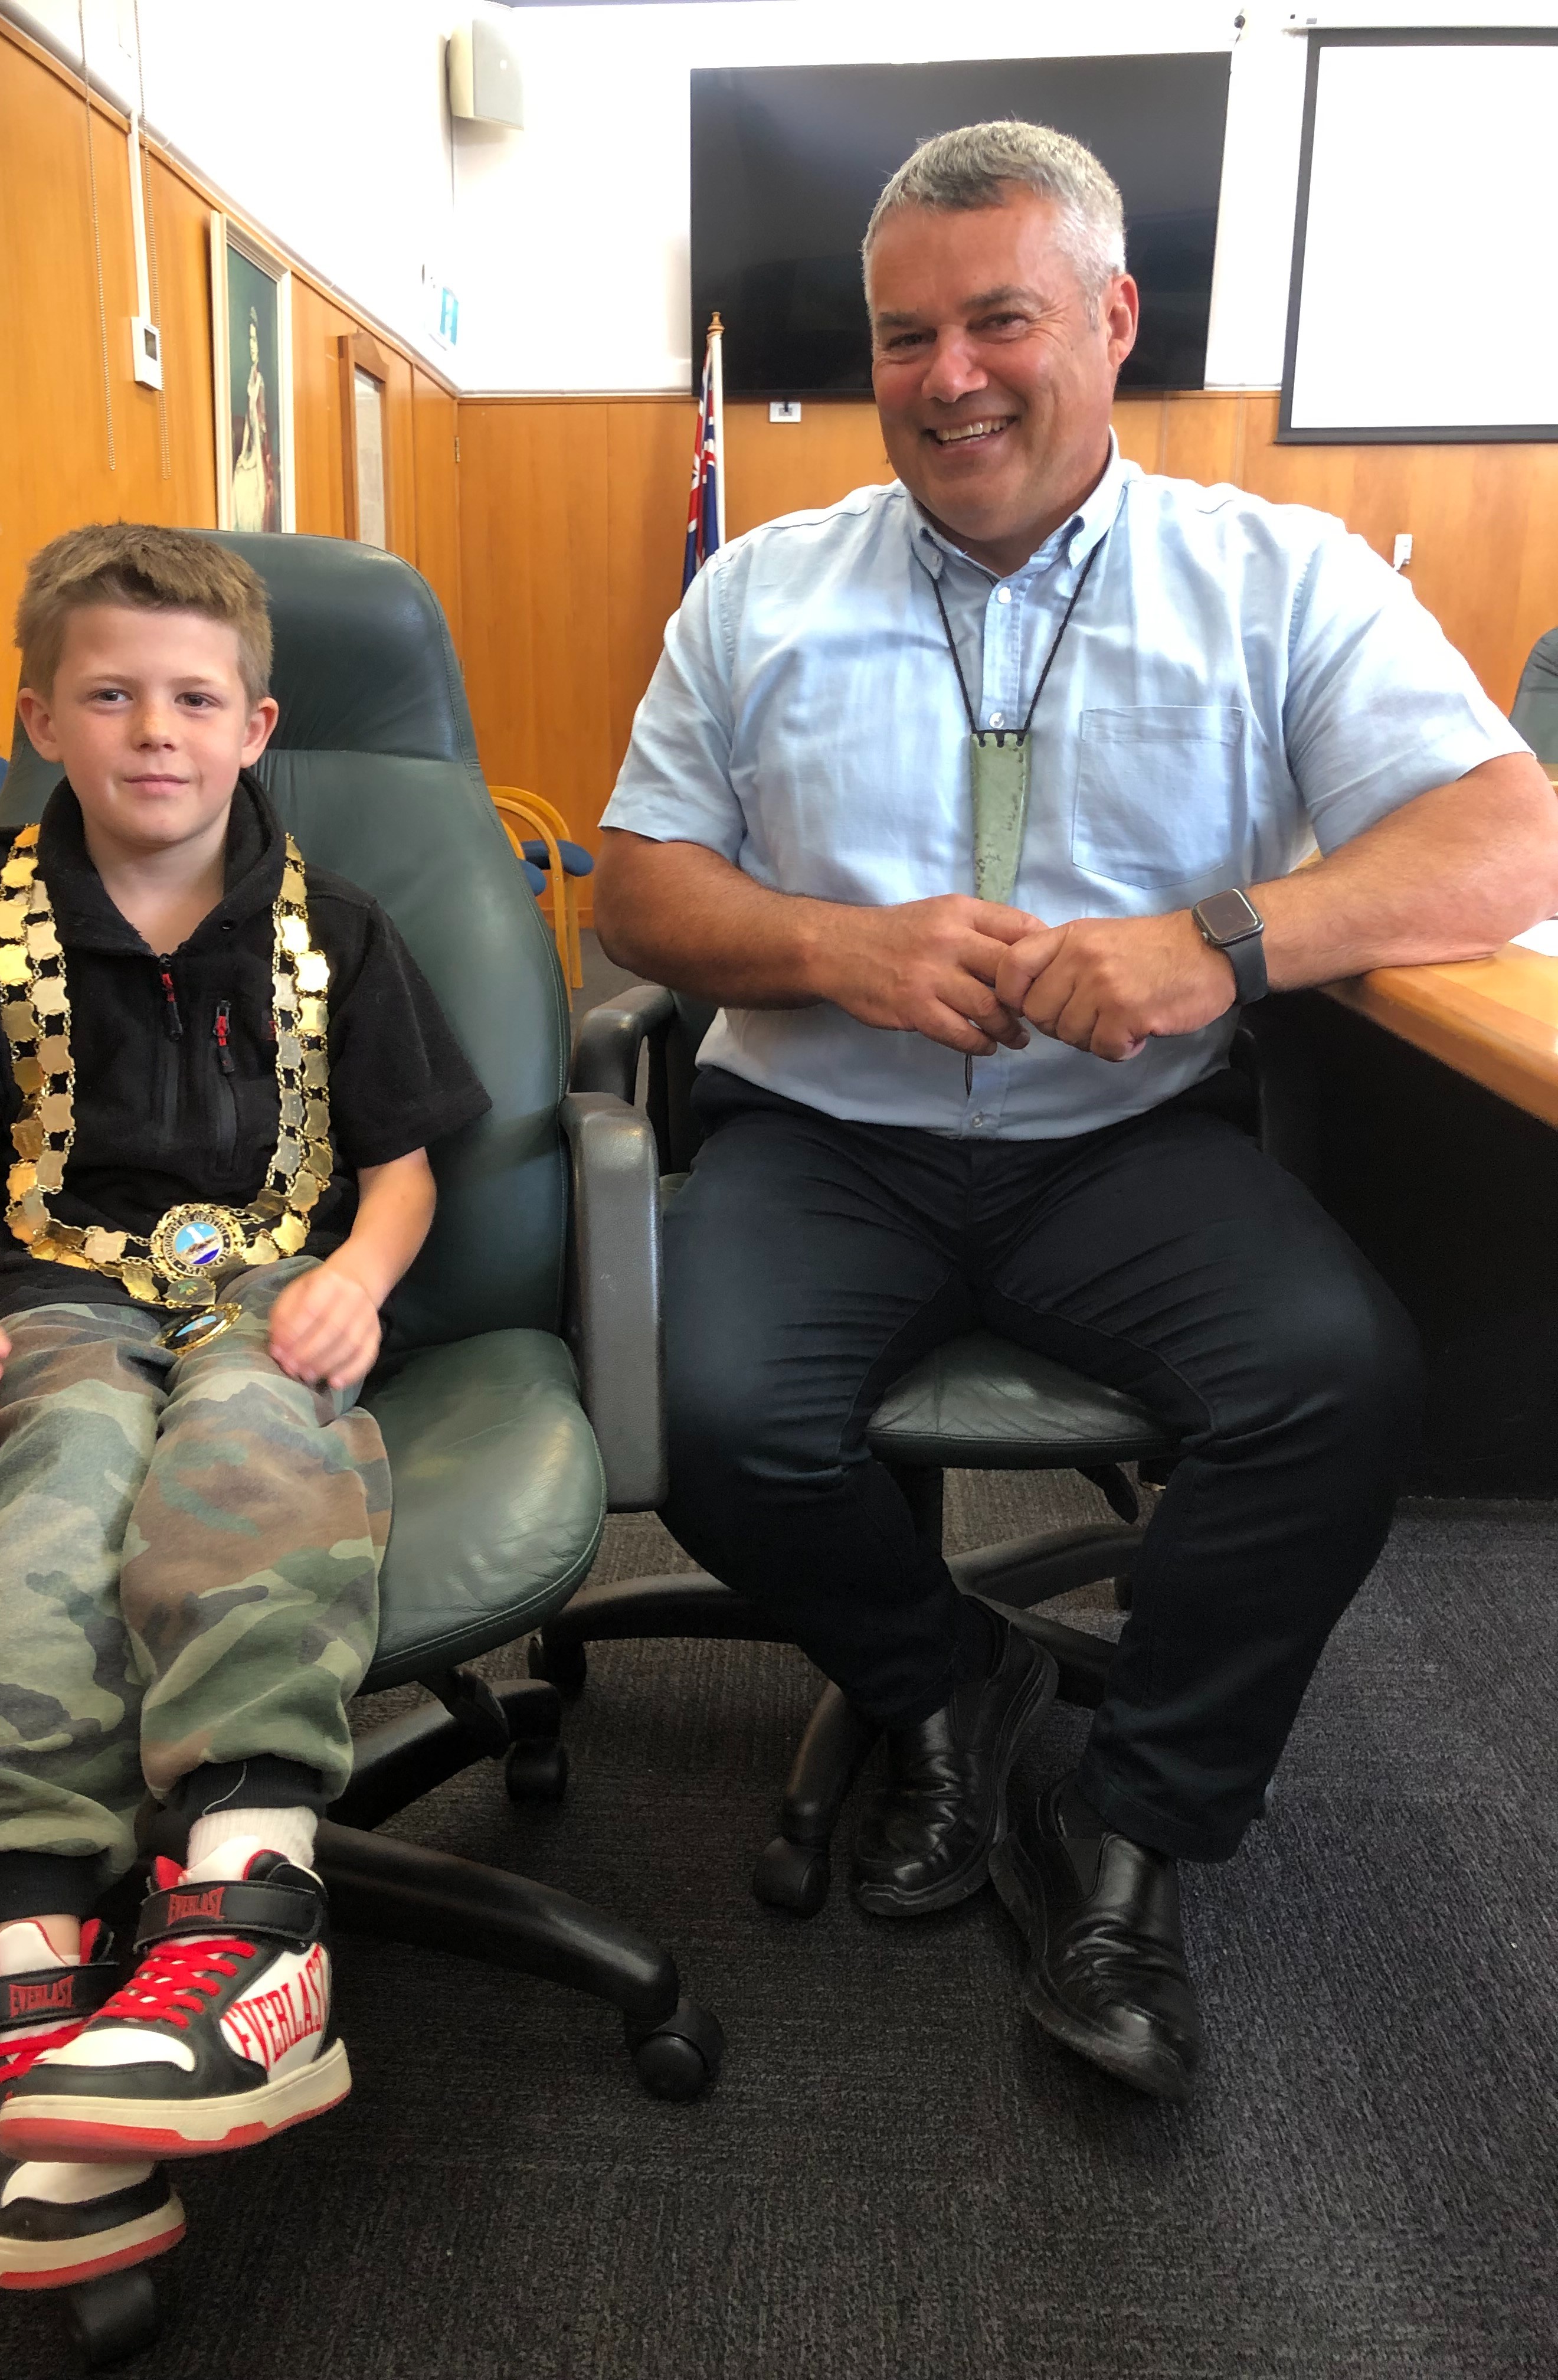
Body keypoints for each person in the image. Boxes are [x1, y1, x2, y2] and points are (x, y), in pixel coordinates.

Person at [595, 122, 1558, 2104]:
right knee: (692, 1411)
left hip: (1125, 1146)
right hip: (821, 1133)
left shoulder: (1269, 576)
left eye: (1000, 320)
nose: (948, 375)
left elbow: (1500, 836)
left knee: (1333, 1381)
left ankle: (1133, 1838)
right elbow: (635, 892)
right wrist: (827, 946)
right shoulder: (759, 593)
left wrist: (1224, 938)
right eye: (903, 335)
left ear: (1110, 321)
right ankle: (939, 1683)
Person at [0, 522, 488, 2289]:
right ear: (43, 715)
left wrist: (359, 1274)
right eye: (111, 694)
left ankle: (251, 1903)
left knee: (247, 1453)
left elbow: (409, 1164)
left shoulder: (335, 930)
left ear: (257, 720)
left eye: (194, 697)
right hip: (55, 1296)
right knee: (53, 1504)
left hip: (271, 1288)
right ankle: (20, 1965)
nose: (155, 729)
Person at [231, 307, 273, 533]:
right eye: (250, 340)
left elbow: (259, 425)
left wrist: (254, 456)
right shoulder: (251, 377)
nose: (252, 346)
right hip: (252, 444)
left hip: (258, 446)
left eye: (255, 340)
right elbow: (250, 422)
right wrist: (243, 456)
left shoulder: (260, 382)